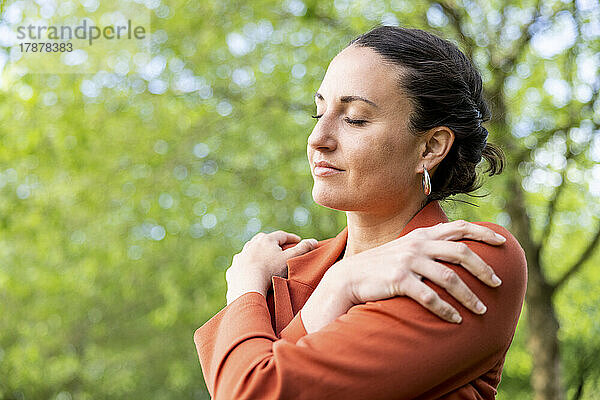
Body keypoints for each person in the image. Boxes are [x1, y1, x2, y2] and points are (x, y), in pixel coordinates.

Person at [193, 25, 527, 399]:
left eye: (354, 119)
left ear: (431, 147)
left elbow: (253, 390)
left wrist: (245, 289)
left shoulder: (466, 258)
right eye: (318, 112)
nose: (318, 138)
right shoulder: (283, 270)